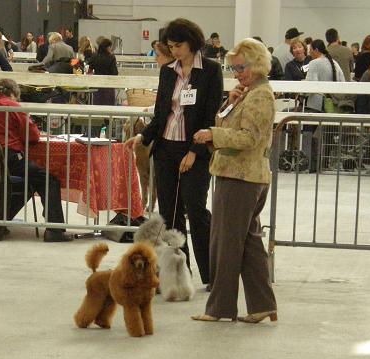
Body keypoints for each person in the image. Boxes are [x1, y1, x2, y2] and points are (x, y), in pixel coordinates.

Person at [124, 18, 223, 287]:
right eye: (170, 46)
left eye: (178, 45)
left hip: (195, 149)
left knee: (196, 210)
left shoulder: (211, 71)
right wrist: (143, 136)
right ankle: (179, 274)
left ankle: (212, 275)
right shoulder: (168, 71)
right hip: (166, 149)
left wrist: (194, 151)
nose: (174, 50)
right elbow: (161, 114)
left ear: (192, 43)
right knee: (170, 214)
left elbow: (209, 116)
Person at [191, 37, 277, 323]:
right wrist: (229, 103)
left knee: (225, 244)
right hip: (241, 175)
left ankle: (220, 308)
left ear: (255, 65)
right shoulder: (249, 92)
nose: (236, 73)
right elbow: (227, 123)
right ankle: (262, 304)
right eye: (234, 68)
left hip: (242, 176)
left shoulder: (261, 95)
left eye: (240, 67)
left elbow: (249, 138)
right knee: (249, 244)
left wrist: (212, 135)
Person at [0, 79, 73, 242]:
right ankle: (55, 230)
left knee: (27, 183)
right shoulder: (11, 106)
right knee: (49, 180)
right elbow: (32, 135)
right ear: (12, 94)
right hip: (9, 159)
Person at [305, 39, 345, 112]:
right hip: (334, 105)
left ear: (316, 50)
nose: (309, 52)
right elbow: (342, 82)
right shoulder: (335, 63)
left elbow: (311, 86)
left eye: (310, 50)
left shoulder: (313, 63)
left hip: (317, 105)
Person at [88, 38, 118, 105]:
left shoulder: (94, 56)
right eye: (110, 47)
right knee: (109, 106)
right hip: (108, 86)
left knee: (98, 105)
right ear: (107, 47)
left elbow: (89, 71)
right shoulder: (111, 57)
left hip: (97, 85)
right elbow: (115, 73)